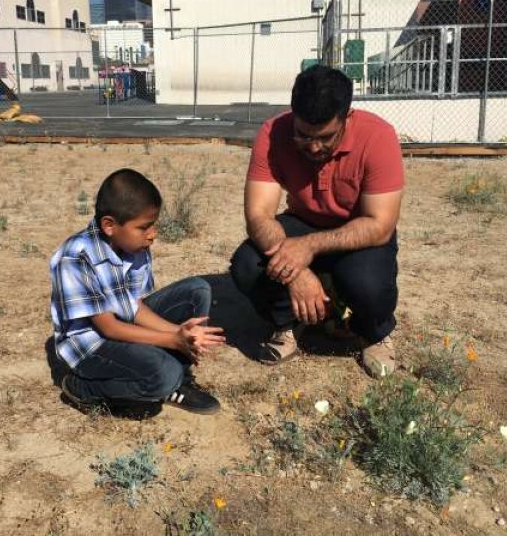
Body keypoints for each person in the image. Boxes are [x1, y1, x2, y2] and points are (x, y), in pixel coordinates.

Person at [230, 65, 404, 378]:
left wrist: (307, 248)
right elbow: (258, 215)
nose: (312, 146)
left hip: (359, 229)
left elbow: (379, 224)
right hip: (302, 221)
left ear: (346, 118)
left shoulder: (379, 136)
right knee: (248, 264)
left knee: (367, 283)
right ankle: (290, 321)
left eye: (325, 137)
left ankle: (373, 332)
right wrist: (296, 275)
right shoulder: (273, 133)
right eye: (303, 135)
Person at [50, 168, 225, 414]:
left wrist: (181, 332)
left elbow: (133, 307)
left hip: (121, 326)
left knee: (197, 290)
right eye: (145, 227)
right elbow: (108, 328)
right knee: (163, 373)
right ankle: (82, 389)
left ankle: (180, 381)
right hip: (92, 346)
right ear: (110, 225)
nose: (153, 234)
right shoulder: (75, 258)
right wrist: (173, 340)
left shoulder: (134, 246)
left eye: (153, 225)